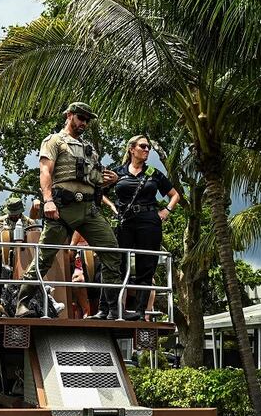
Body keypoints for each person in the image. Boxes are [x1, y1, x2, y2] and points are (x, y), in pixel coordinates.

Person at [15, 102, 134, 319]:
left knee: (112, 251)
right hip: (62, 208)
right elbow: (45, 171)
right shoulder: (54, 141)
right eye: (81, 118)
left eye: (87, 120)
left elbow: (95, 179)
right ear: (69, 115)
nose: (84, 123)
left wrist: (110, 180)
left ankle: (111, 308)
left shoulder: (89, 149)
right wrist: (48, 200)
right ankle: (22, 302)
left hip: (89, 209)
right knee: (45, 256)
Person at [95, 134, 181, 320]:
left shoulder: (153, 173)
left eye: (148, 147)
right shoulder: (118, 172)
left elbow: (175, 195)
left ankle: (141, 312)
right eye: (143, 146)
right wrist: (112, 207)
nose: (146, 150)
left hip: (149, 221)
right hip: (124, 220)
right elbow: (99, 192)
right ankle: (112, 310)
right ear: (131, 149)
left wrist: (165, 211)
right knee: (116, 264)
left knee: (146, 265)